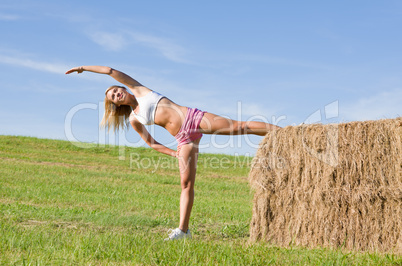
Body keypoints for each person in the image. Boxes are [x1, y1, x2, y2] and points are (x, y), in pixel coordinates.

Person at [65, 65, 281, 241]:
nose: (117, 94)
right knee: (186, 184)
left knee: (239, 127)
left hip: (193, 118)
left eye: (116, 90)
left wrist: (84, 68)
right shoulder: (134, 119)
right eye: (113, 97)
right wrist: (174, 153)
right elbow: (152, 143)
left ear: (124, 89)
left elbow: (111, 71)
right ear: (116, 104)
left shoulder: (140, 90)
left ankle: (286, 134)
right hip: (183, 139)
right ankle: (183, 231)